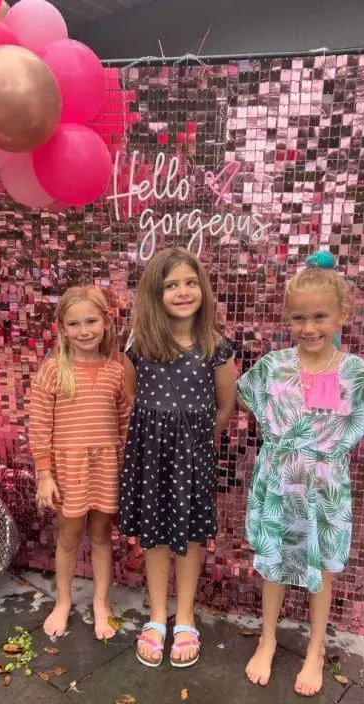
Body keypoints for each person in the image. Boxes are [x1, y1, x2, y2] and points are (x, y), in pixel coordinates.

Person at [237, 252, 364, 695]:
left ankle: (315, 648)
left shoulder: (353, 372)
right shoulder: (274, 366)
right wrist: (282, 433)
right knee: (273, 565)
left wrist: (343, 434)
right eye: (298, 317)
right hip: (278, 482)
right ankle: (268, 638)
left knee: (322, 568)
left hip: (325, 485)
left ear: (341, 316)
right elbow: (245, 395)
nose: (308, 327)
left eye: (319, 316)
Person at [120, 247, 236, 668]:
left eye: (190, 282)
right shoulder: (140, 345)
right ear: (156, 293)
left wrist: (197, 441)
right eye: (171, 285)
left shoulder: (216, 346)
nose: (183, 292)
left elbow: (225, 406)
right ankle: (156, 615)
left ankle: (184, 616)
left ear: (202, 289)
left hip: (194, 458)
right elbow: (134, 397)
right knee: (154, 537)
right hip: (151, 457)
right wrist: (160, 433)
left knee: (188, 537)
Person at [29, 286, 132, 640]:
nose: (84, 330)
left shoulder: (118, 369)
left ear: (106, 322)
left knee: (102, 536)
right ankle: (62, 601)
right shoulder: (53, 370)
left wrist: (126, 467)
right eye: (75, 323)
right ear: (62, 328)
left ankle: (102, 602)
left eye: (91, 321)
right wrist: (45, 474)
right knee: (69, 537)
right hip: (68, 468)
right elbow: (40, 425)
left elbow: (125, 421)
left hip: (106, 466)